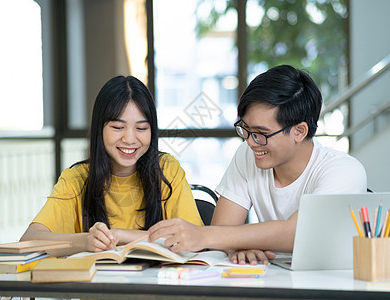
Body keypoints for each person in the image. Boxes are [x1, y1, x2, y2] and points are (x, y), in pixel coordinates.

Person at [148, 65, 367, 264]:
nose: (251, 142)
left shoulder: (343, 171)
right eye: (246, 129)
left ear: (299, 131)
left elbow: (301, 233)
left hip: (329, 284)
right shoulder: (249, 155)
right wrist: (237, 247)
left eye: (262, 134)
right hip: (269, 279)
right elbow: (224, 231)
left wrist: (202, 235)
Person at [20, 75, 203, 255]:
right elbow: (29, 240)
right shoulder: (77, 178)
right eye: (117, 127)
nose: (130, 139)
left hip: (158, 283)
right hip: (96, 284)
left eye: (141, 128)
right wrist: (85, 241)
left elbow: (194, 240)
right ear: (100, 129)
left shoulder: (167, 170)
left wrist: (120, 235)